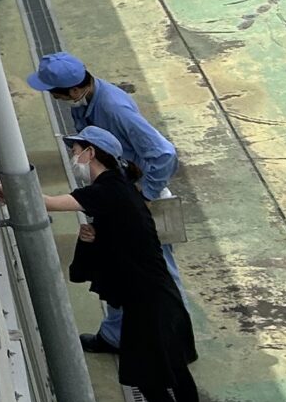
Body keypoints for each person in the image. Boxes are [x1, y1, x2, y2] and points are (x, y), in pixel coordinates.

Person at [41, 124, 207, 402]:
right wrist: (91, 238)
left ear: (91, 153)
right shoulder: (122, 191)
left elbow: (53, 203)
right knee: (177, 374)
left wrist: (12, 193)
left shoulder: (108, 190)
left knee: (151, 383)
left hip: (147, 307)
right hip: (162, 298)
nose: (74, 157)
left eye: (77, 150)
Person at [27, 51, 177, 351]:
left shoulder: (113, 108)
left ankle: (174, 340)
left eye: (55, 94)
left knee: (161, 274)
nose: (55, 99)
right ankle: (115, 335)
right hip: (120, 195)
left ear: (73, 90)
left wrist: (145, 196)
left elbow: (164, 153)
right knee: (116, 267)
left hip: (140, 196)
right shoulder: (85, 102)